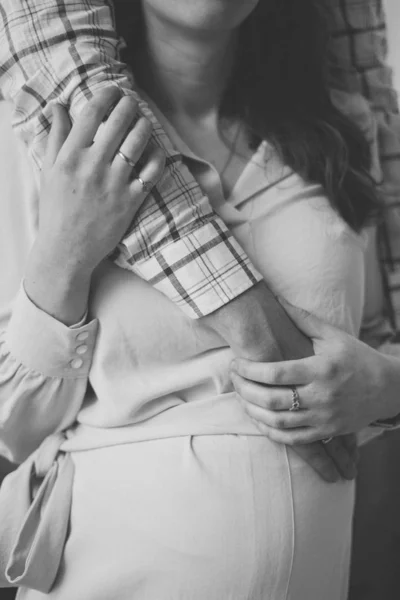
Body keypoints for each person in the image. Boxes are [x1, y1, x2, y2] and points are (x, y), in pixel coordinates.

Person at [0, 1, 384, 599]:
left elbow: (378, 340)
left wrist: (386, 390)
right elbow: (9, 424)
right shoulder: (46, 138)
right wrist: (66, 252)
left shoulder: (345, 134)